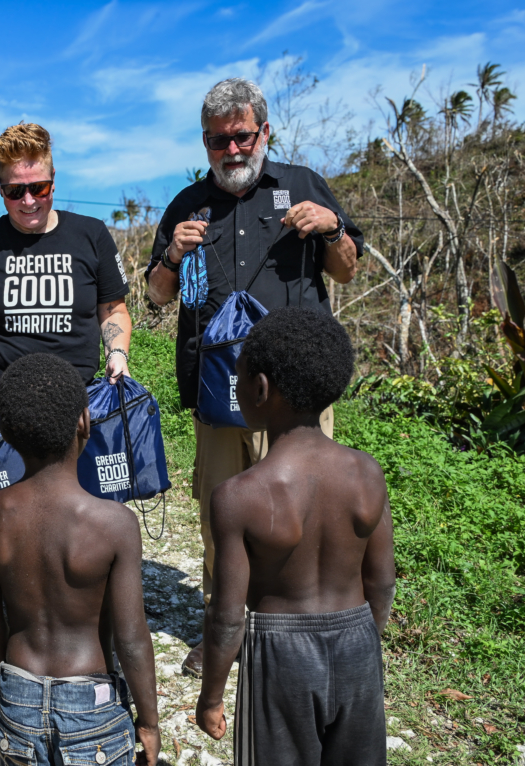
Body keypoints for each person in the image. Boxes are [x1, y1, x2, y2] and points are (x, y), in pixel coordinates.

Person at [144, 78, 365, 677]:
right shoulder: (187, 206)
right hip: (218, 386)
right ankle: (226, 626)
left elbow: (344, 272)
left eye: (242, 135)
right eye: (218, 140)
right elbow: (154, 297)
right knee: (221, 507)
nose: (232, 149)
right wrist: (171, 257)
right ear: (207, 142)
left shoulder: (304, 186)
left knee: (302, 507)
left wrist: (333, 229)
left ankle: (299, 621)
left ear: (264, 131)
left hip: (297, 392)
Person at [193, 307, 395, 766]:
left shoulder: (239, 496)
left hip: (279, 656)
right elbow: (382, 578)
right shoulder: (366, 473)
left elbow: (227, 615)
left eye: (237, 377)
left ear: (260, 388)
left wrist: (211, 695)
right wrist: (363, 646)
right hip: (356, 645)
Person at [0, 353, 161, 766]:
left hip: (19, 691)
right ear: (84, 421)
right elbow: (133, 639)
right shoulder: (114, 523)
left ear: (8, 432)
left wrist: (13, 666)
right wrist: (149, 721)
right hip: (91, 704)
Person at [0, 123, 132, 398]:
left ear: (53, 178)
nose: (28, 201)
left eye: (39, 188)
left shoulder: (92, 234)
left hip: (75, 401)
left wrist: (118, 353)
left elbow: (113, 311)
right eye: (15, 191)